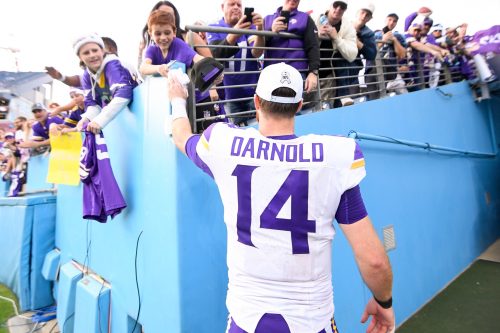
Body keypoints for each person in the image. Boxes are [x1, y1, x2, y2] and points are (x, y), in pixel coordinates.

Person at [168, 63, 395, 333]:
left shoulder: (223, 144)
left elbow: (181, 136)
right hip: (311, 321)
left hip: (246, 318)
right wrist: (384, 302)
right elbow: (374, 259)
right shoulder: (334, 158)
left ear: (256, 101)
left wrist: (177, 100)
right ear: (299, 105)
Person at [140, 10, 223, 131]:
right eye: (158, 33)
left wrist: (214, 70)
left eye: (167, 33)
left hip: (198, 98)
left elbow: (197, 58)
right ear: (150, 33)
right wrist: (158, 68)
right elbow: (143, 67)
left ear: (174, 32)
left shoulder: (179, 45)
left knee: (205, 132)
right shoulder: (151, 50)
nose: (163, 37)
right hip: (174, 101)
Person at [207, 0, 265, 125]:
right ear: (222, 7)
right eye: (232, 4)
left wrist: (260, 29)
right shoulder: (214, 27)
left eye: (239, 5)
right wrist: (236, 32)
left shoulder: (251, 27)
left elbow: (257, 52)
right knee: (237, 132)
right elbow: (216, 53)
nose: (236, 7)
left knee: (259, 129)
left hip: (252, 92)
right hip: (229, 95)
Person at [73, 34, 137, 134]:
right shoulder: (86, 75)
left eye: (95, 50)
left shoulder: (112, 64)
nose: (92, 55)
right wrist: (85, 119)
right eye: (86, 53)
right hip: (123, 117)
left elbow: (124, 93)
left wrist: (99, 121)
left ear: (102, 51)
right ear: (80, 57)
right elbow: (93, 103)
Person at [263, 0, 320, 111]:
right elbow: (258, 47)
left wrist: (313, 72)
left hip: (298, 74)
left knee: (296, 111)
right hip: (272, 76)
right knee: (273, 111)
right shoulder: (267, 19)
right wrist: (270, 31)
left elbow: (313, 46)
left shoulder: (306, 18)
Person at [317, 1, 358, 108]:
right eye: (336, 5)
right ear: (330, 6)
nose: (338, 9)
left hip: (331, 76)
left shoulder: (348, 27)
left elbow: (352, 55)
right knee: (306, 108)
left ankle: (343, 96)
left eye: (343, 7)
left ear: (345, 10)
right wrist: (316, 35)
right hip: (310, 72)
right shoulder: (314, 18)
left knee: (326, 108)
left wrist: (336, 38)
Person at [373, 13, 408, 95]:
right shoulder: (375, 35)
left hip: (393, 74)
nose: (392, 22)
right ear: (385, 20)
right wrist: (383, 40)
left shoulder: (398, 36)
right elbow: (371, 53)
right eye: (390, 20)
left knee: (404, 96)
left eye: (394, 21)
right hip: (378, 73)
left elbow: (402, 55)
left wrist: (394, 40)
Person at [350, 3, 377, 100]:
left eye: (368, 15)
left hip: (352, 70)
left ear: (370, 18)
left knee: (352, 100)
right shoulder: (344, 24)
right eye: (362, 12)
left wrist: (358, 42)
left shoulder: (368, 33)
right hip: (334, 69)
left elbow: (371, 54)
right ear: (357, 13)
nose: (364, 16)